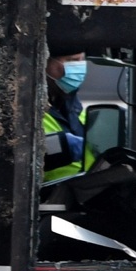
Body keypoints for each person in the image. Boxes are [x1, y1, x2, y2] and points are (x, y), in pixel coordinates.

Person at [42, 53, 93, 184]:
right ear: (45, 63)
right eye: (72, 60)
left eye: (82, 60)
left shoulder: (73, 106)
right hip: (44, 198)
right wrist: (63, 145)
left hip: (84, 192)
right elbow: (14, 153)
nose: (79, 67)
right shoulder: (21, 106)